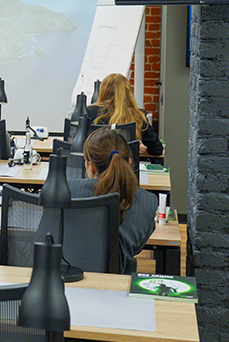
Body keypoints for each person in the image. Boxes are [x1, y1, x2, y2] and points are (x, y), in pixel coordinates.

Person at [68, 127, 157, 274]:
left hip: (68, 280)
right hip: (117, 283)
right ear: (128, 162)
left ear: (91, 167)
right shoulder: (148, 202)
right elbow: (136, 248)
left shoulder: (68, 191)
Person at [86, 73, 163, 157]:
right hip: (128, 164)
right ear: (128, 92)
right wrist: (143, 149)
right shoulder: (138, 115)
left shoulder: (90, 112)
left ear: (102, 91)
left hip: (98, 163)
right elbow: (157, 149)